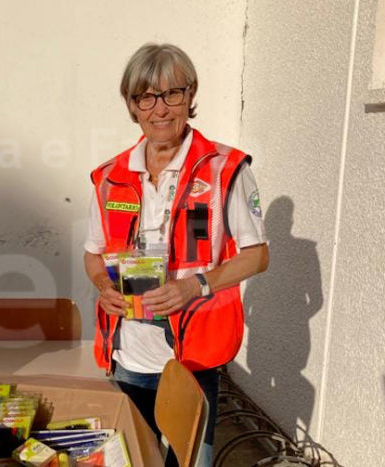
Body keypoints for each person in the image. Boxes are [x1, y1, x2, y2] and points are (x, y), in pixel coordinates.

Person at [84, 43, 269, 466]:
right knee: (132, 459)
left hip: (192, 356)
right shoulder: (111, 176)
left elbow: (257, 256)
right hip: (128, 353)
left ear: (190, 96)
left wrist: (195, 286)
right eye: (147, 97)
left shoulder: (224, 169)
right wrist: (101, 285)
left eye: (172, 94)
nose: (160, 109)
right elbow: (93, 255)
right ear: (132, 105)